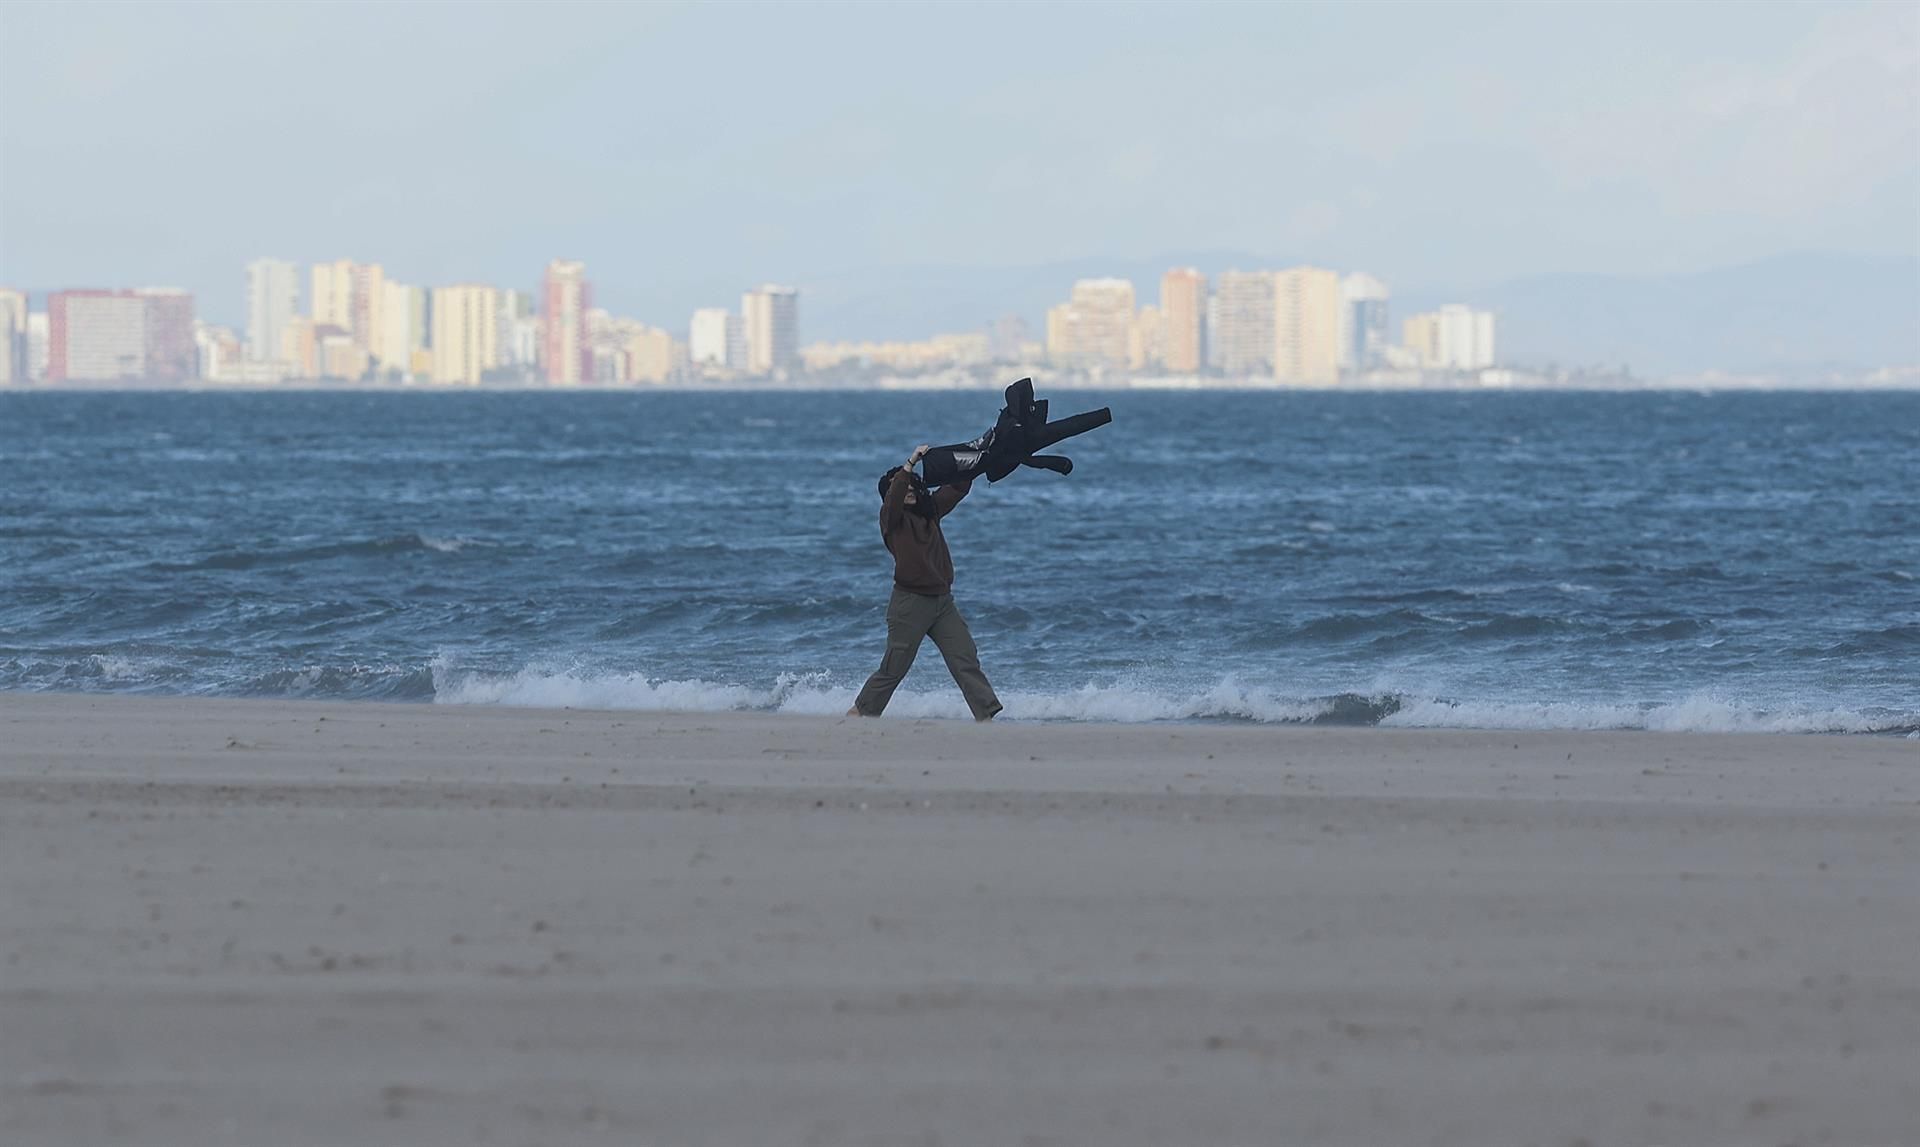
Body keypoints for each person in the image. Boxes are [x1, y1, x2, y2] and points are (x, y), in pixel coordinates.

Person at [847, 443, 1003, 721]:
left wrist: (976, 461)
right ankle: (860, 713)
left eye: (910, 487)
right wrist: (910, 463)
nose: (906, 490)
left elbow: (956, 489)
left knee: (965, 658)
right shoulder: (890, 520)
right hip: (910, 604)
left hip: (943, 603)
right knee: (894, 668)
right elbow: (894, 496)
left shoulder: (930, 513)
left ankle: (986, 715)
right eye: (900, 487)